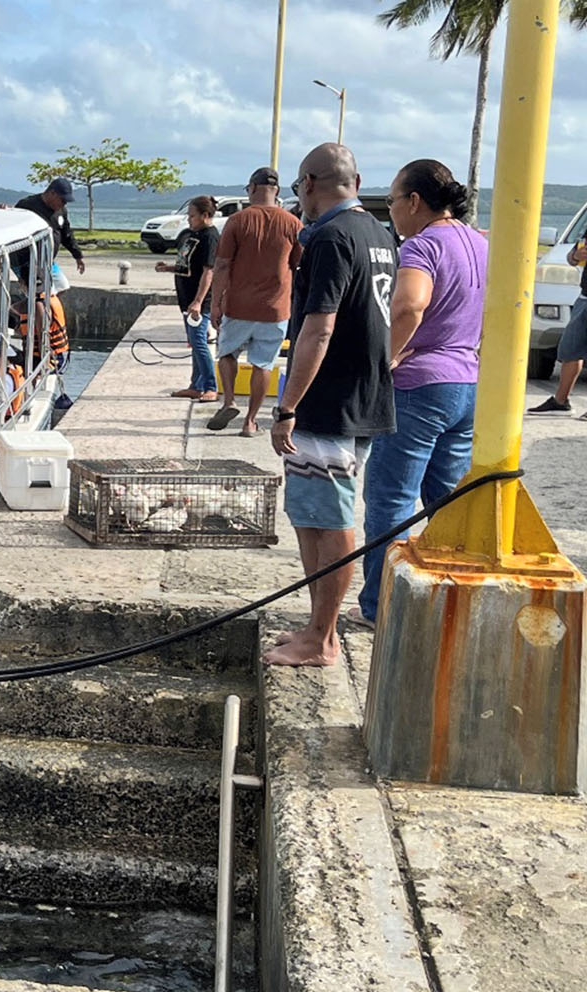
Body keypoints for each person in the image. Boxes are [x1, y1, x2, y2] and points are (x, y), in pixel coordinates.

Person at [266, 143, 398, 668]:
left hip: (328, 400)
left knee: (327, 516)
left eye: (300, 189)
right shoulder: (379, 233)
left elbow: (318, 328)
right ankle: (317, 626)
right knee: (316, 512)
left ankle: (321, 637)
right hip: (363, 395)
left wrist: (286, 408)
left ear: (310, 183)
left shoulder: (332, 238)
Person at [355, 160, 488, 626]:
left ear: (413, 201)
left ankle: (380, 607)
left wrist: (387, 357)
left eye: (391, 201)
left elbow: (410, 303)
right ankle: (451, 601)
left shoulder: (422, 245)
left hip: (419, 385)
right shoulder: (480, 242)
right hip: (467, 382)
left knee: (390, 500)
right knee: (447, 504)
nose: (390, 211)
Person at [207, 168, 303, 436]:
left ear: (251, 188)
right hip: (276, 308)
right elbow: (298, 266)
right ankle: (250, 422)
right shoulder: (293, 223)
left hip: (238, 304)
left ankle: (229, 401)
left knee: (227, 353)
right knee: (264, 364)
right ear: (278, 191)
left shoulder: (237, 221)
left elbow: (223, 265)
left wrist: (215, 303)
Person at [156, 196, 220, 401]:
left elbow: (208, 271)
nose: (189, 220)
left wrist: (199, 301)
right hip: (186, 297)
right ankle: (196, 384)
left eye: (192, 216)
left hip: (198, 300)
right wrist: (168, 268)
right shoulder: (192, 235)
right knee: (193, 341)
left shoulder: (210, 236)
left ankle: (210, 385)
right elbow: (187, 265)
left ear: (205, 215)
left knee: (199, 341)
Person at [529, 236, 587, 413]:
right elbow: (572, 258)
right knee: (570, 349)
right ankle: (560, 401)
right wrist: (577, 255)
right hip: (585, 297)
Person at [11, 178, 87, 284]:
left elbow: (67, 235)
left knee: (62, 285)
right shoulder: (27, 205)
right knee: (40, 297)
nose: (64, 204)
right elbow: (11, 224)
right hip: (25, 262)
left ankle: (24, 300)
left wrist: (78, 256)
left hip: (47, 261)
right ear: (52, 193)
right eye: (63, 200)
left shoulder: (61, 211)